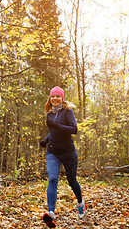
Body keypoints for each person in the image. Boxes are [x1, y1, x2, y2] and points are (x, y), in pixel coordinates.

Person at [40, 86, 86, 228]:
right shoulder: (49, 114)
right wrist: (46, 140)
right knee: (53, 178)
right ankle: (51, 213)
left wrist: (56, 125)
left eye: (57, 96)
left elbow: (74, 130)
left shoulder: (67, 112)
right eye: (52, 96)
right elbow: (53, 131)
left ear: (62, 98)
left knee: (72, 181)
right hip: (53, 151)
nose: (55, 99)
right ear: (50, 98)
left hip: (68, 152)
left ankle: (80, 202)